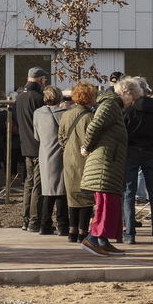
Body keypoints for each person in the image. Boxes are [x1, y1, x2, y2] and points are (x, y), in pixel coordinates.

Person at [78, 84, 129, 256]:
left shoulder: (113, 106)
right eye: (134, 97)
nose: (134, 102)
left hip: (109, 163)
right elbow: (95, 126)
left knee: (110, 203)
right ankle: (91, 239)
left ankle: (103, 241)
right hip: (104, 164)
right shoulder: (111, 104)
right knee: (107, 203)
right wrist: (87, 147)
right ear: (124, 93)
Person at [119, 76, 153, 245]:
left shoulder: (127, 111)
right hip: (151, 153)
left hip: (131, 154)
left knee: (129, 195)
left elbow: (122, 134)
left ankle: (129, 234)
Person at [59, 83, 97, 244]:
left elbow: (61, 137)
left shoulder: (66, 115)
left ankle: (72, 231)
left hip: (69, 158)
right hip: (85, 159)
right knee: (86, 196)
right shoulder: (91, 117)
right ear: (90, 97)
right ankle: (83, 232)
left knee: (72, 196)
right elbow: (93, 139)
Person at [14, 68, 49, 231]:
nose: (45, 82)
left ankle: (25, 220)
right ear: (40, 80)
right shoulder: (39, 98)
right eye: (44, 80)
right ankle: (35, 221)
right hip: (39, 147)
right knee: (38, 185)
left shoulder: (20, 98)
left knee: (29, 183)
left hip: (26, 145)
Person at [33, 85, 70, 236]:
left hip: (45, 154)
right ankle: (63, 225)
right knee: (61, 191)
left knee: (47, 190)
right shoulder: (64, 114)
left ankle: (44, 225)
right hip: (61, 154)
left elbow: (36, 136)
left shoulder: (37, 113)